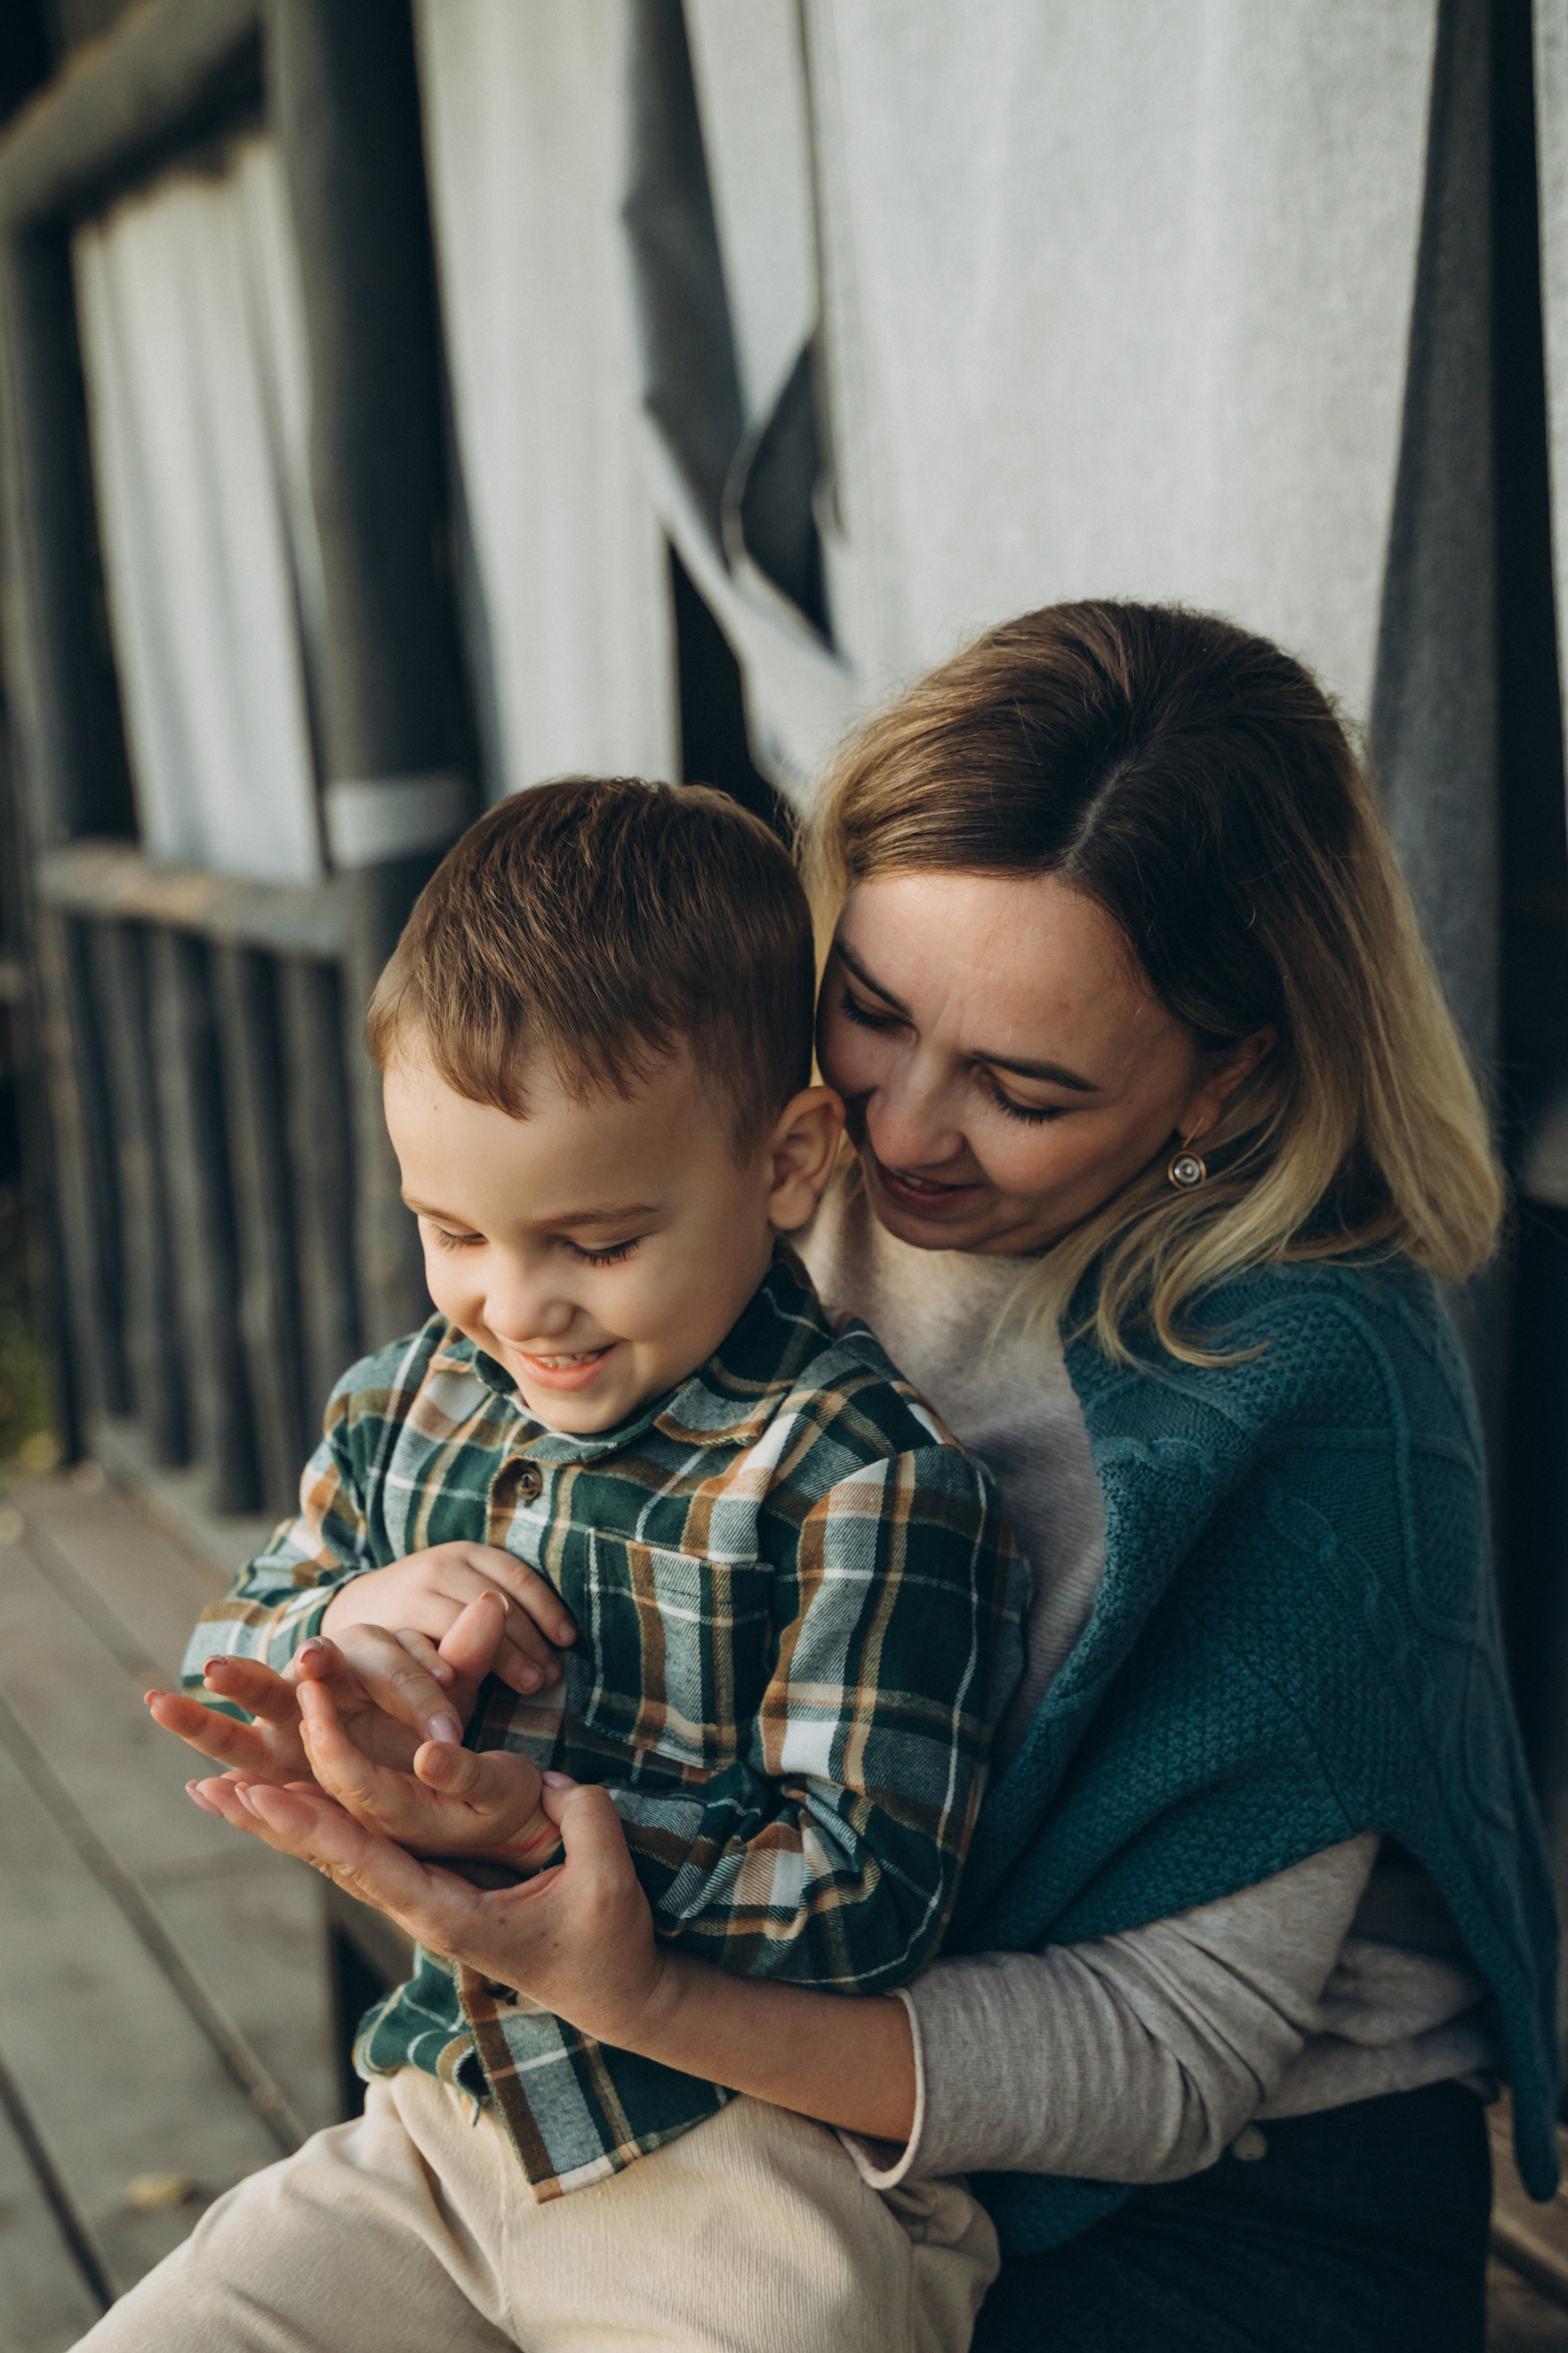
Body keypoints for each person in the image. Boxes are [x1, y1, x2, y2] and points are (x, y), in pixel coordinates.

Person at [190, 603, 1560, 2353]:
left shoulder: (1312, 1378)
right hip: (718, 2093)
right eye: (873, 1012)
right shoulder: (739, 1178)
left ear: (1224, 1074)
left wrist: (632, 1983)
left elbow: (1159, 2062)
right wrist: (370, 1644)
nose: (901, 1131)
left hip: (1218, 2197)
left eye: (1023, 1089)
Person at [110, 777, 1017, 2353]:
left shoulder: (857, 1473)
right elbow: (225, 1653)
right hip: (444, 2120)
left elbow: (865, 1897)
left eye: (596, 1243)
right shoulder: (403, 1406)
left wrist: (536, 1832)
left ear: (787, 1161)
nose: (516, 1306)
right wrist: (337, 1628)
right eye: (453, 1231)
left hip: (748, 2163)